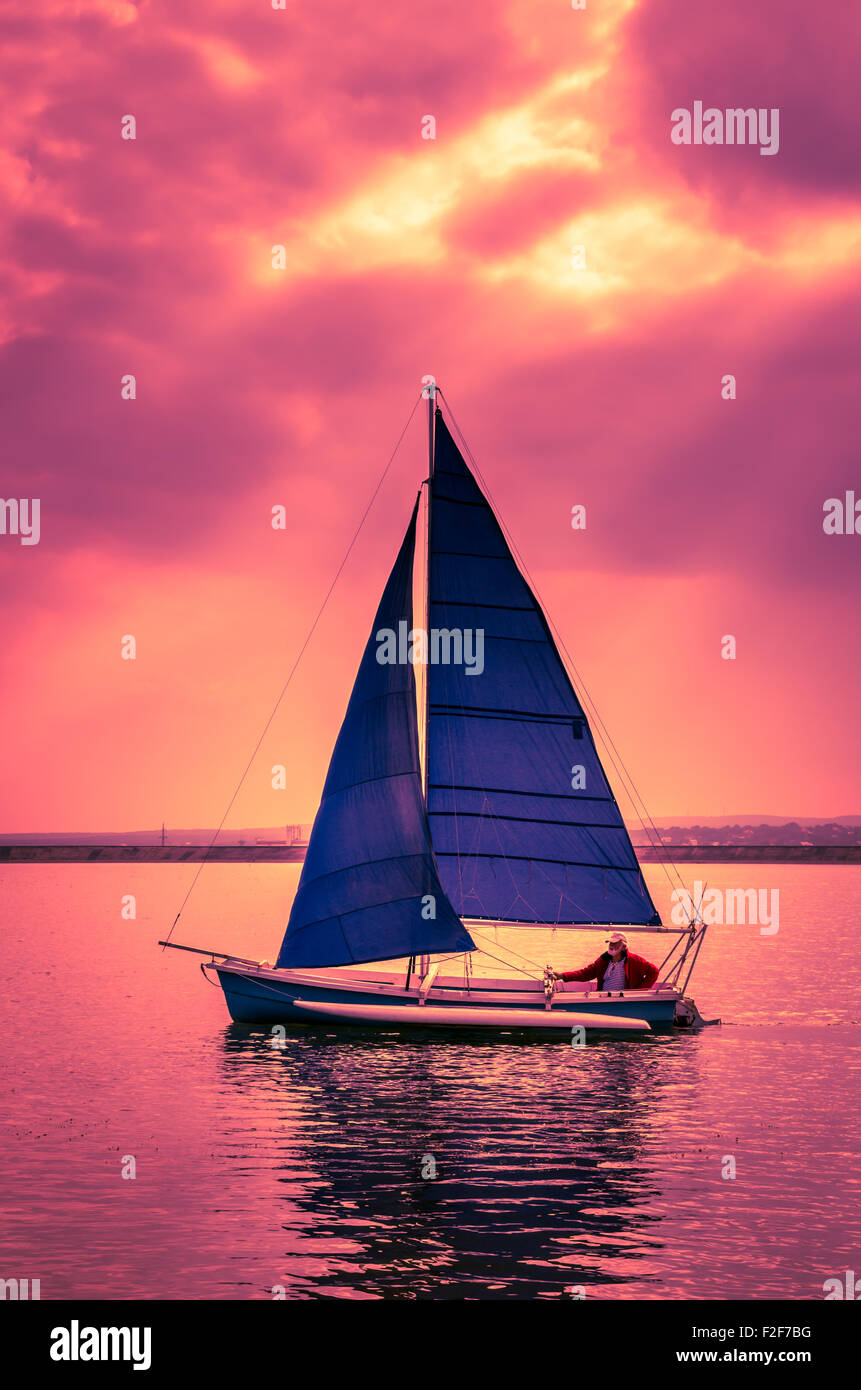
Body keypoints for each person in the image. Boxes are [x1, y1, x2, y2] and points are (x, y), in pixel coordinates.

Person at [552, 931, 659, 992]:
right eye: (610, 943)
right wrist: (562, 976)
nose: (611, 945)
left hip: (624, 1001)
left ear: (623, 947)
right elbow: (585, 974)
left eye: (615, 943)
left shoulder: (635, 961)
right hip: (604, 999)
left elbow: (654, 971)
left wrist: (639, 992)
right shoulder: (603, 960)